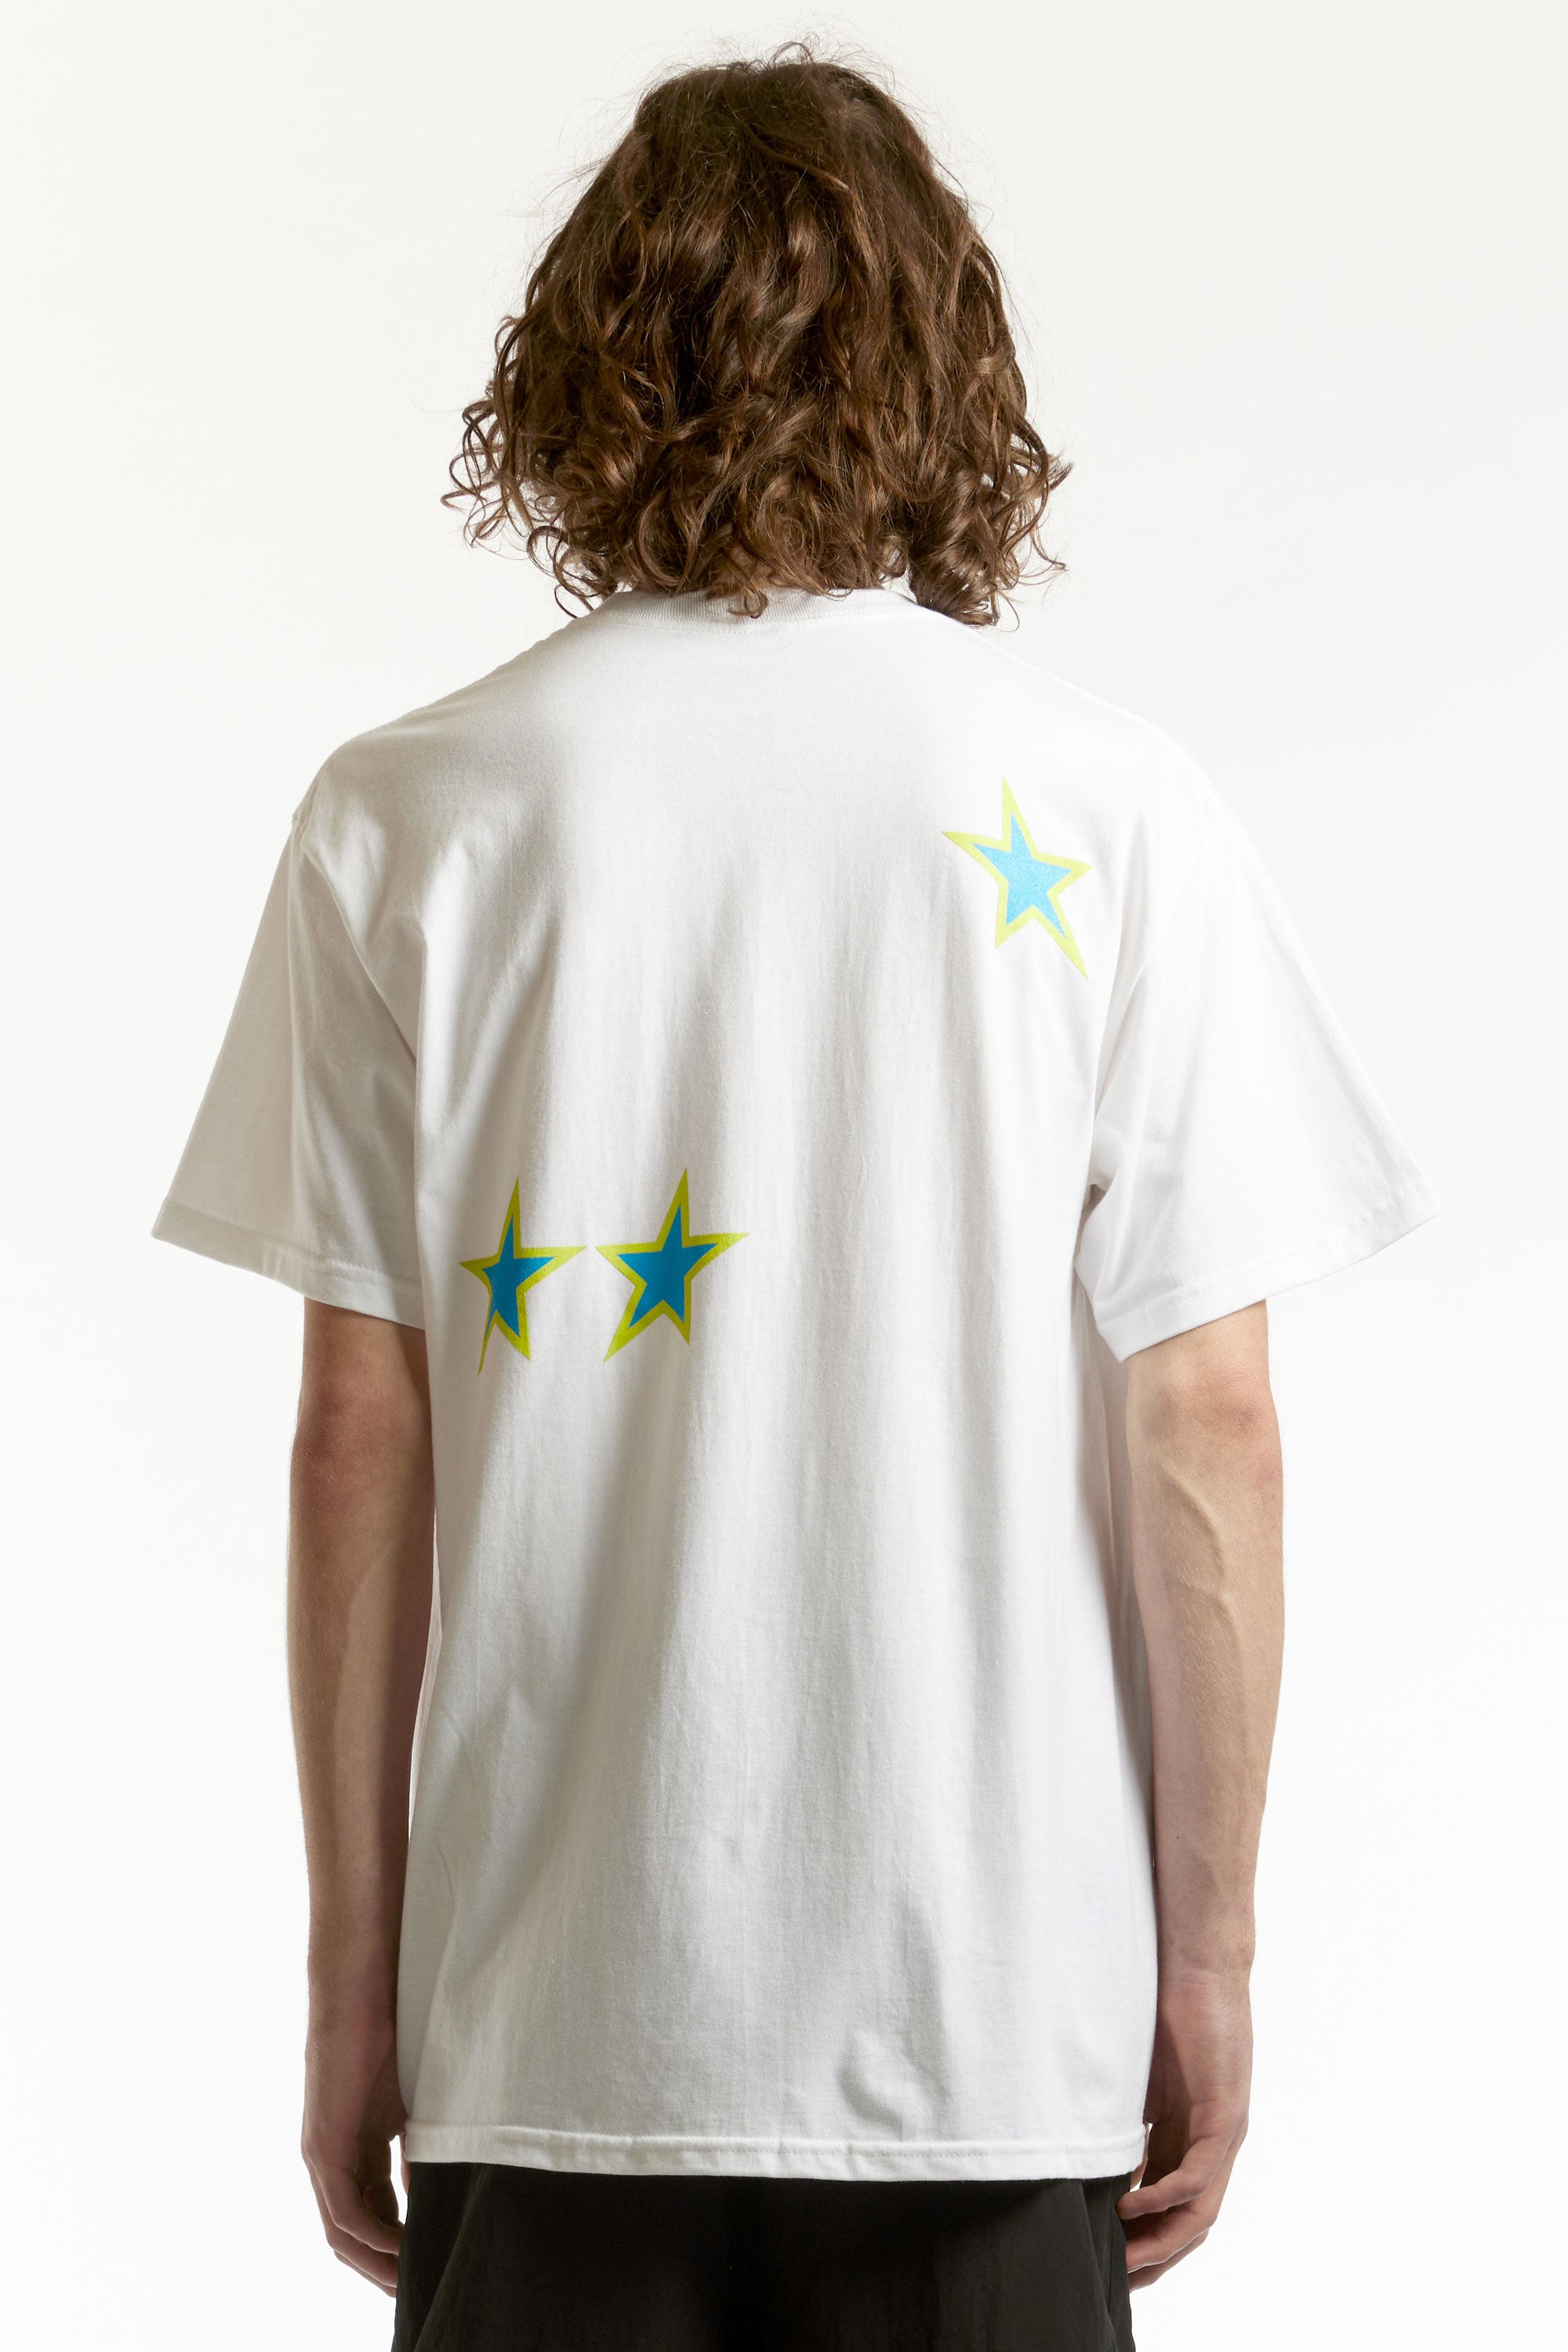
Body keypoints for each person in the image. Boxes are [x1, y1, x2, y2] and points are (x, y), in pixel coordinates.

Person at [154, 47, 1434, 2352]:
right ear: (947, 365)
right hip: (989, 2027)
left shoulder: (408, 817)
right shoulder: (1111, 808)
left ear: (583, 359)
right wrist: (1212, 1958)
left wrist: (359, 1986)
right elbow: (1210, 1423)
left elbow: (360, 1436)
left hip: (551, 2031)